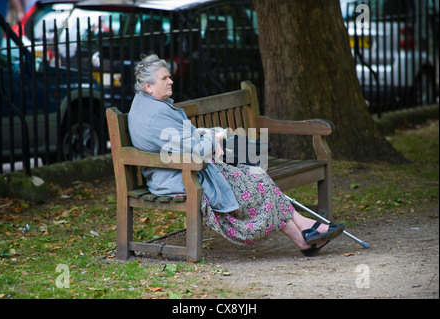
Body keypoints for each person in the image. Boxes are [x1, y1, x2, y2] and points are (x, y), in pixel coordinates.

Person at [128, 53, 345, 257]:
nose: (170, 81)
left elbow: (185, 142)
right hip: (180, 178)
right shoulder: (154, 117)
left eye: (169, 77)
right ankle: (305, 231)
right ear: (148, 86)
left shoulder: (150, 105)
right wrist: (215, 139)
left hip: (186, 170)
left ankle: (304, 236)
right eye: (164, 78)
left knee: (256, 176)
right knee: (256, 180)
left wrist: (208, 135)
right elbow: (194, 150)